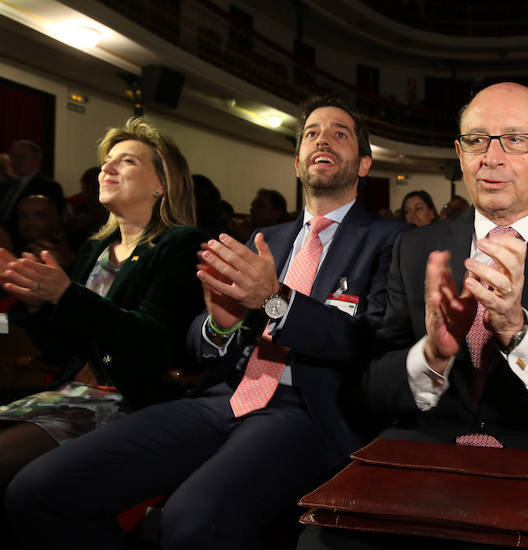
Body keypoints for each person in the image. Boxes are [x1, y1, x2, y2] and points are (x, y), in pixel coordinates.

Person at [6, 96, 408, 550]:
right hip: (221, 397)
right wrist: (219, 325)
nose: (323, 139)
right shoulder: (262, 240)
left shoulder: (391, 241)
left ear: (365, 163)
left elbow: (370, 342)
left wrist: (275, 299)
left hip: (305, 409)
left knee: (192, 522)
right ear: (297, 162)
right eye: (312, 133)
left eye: (340, 133)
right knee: (37, 491)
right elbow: (198, 340)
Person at [300, 82, 528, 550]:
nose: (491, 157)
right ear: (459, 152)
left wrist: (516, 329)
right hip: (426, 452)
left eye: (515, 139)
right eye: (476, 140)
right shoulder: (415, 248)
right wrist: (432, 355)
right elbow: (374, 387)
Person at [0, 117, 204, 508]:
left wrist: (66, 294)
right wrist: (35, 302)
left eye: (126, 161)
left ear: (162, 183)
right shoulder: (97, 248)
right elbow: (61, 351)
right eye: (107, 161)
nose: (107, 167)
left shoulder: (179, 244)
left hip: (126, 403)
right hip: (70, 394)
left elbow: (153, 342)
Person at [0, 140, 65, 240]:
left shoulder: (49, 186)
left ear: (37, 160)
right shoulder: (6, 185)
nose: (16, 160)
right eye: (13, 156)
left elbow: (54, 222)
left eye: (21, 156)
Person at [14, 195, 75, 269]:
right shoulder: (14, 257)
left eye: (39, 215)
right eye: (23, 216)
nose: (29, 222)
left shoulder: (76, 252)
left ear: (56, 219)